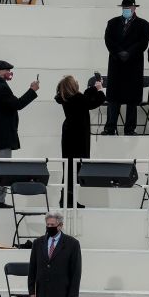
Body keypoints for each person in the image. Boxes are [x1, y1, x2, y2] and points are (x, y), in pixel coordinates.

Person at [0, 60, 39, 208]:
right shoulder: (0, 88)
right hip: (2, 136)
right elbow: (17, 104)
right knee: (2, 169)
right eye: (7, 70)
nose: (9, 73)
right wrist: (32, 91)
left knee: (1, 168)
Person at [28, 212, 82, 297]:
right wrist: (32, 291)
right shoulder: (38, 243)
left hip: (63, 296)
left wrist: (73, 295)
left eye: (52, 225)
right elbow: (32, 268)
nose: (49, 227)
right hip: (43, 295)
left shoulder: (72, 244)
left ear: (61, 225)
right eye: (47, 224)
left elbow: (76, 271)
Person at [54, 75, 105, 208]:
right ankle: (68, 200)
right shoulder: (77, 99)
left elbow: (85, 97)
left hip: (69, 135)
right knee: (74, 168)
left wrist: (93, 88)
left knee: (70, 168)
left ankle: (66, 199)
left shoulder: (67, 98)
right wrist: (100, 90)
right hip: (77, 136)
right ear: (72, 85)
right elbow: (93, 102)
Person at [102, 0, 149, 136]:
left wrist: (129, 52)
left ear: (134, 8)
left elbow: (143, 43)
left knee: (132, 99)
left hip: (133, 64)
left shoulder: (143, 24)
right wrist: (119, 52)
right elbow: (108, 40)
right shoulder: (112, 23)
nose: (126, 10)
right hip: (116, 64)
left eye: (128, 8)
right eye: (124, 8)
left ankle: (130, 129)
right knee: (113, 99)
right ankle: (110, 127)